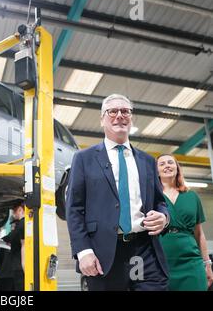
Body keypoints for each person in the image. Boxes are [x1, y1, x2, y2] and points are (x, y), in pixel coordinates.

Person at [66, 94, 170, 291]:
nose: (119, 115)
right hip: (103, 254)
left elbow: (159, 201)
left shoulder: (148, 161)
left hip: (145, 250)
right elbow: (74, 209)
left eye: (125, 111)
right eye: (112, 111)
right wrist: (83, 251)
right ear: (102, 119)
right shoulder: (83, 158)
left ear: (131, 119)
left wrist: (164, 217)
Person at [156, 154, 213, 290]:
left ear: (177, 168)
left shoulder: (192, 196)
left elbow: (199, 234)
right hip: (162, 261)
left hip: (192, 261)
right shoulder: (152, 196)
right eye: (162, 164)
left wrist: (207, 263)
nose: (167, 165)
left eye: (171, 162)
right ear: (156, 171)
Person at [2, 202, 25, 291]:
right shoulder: (22, 224)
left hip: (19, 265)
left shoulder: (22, 224)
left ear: (20, 210)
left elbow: (12, 237)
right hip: (19, 265)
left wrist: (23, 265)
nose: (14, 214)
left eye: (15, 211)